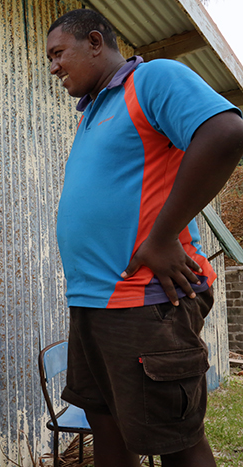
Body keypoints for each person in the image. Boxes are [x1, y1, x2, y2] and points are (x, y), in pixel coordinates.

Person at [46, 9, 243, 467]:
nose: (53, 66)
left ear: (95, 42)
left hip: (146, 300)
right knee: (107, 431)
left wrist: (163, 235)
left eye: (59, 53)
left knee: (174, 440)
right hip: (93, 304)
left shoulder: (151, 79)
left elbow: (226, 132)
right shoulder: (94, 109)